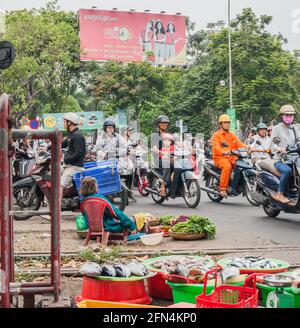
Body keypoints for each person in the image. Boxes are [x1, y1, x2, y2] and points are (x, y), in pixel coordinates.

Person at [211, 114, 248, 198]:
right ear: (220, 124)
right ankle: (223, 189)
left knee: (241, 164)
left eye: (228, 122)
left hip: (231, 157)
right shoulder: (216, 135)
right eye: (225, 122)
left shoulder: (232, 135)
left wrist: (249, 148)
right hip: (220, 158)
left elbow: (240, 144)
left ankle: (235, 184)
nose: (227, 124)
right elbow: (216, 147)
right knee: (227, 167)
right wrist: (223, 152)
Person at [270, 105, 300, 204]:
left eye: (291, 115)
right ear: (281, 116)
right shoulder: (276, 128)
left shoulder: (295, 129)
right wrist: (279, 148)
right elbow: (273, 144)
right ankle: (280, 193)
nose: (289, 117)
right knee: (287, 171)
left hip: (294, 158)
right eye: (286, 115)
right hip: (280, 159)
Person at [61, 113, 86, 194]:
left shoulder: (77, 135)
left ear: (70, 123)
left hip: (75, 167)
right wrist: (46, 147)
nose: (64, 124)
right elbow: (62, 144)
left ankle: (57, 206)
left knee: (59, 187)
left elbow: (78, 153)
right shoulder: (71, 134)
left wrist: (66, 159)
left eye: (65, 122)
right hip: (70, 165)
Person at [151, 115, 173, 196]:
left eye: (166, 123)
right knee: (166, 163)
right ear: (158, 124)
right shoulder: (155, 135)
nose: (164, 124)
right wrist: (163, 153)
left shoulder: (170, 134)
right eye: (162, 123)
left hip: (170, 157)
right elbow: (154, 149)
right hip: (159, 159)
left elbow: (175, 145)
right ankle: (164, 185)